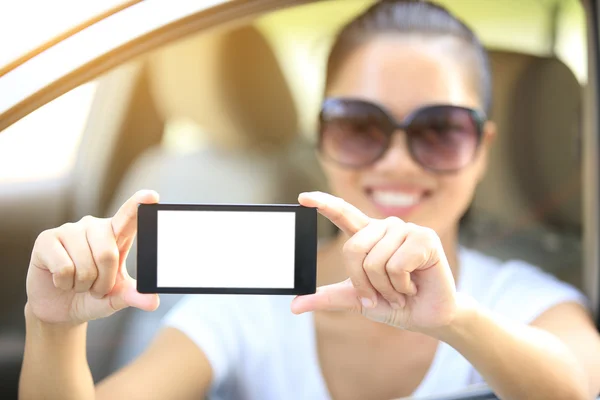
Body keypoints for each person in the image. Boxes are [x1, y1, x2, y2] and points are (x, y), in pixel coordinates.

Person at [19, 1, 600, 399]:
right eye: (359, 127)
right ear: (321, 139)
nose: (396, 160)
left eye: (440, 131)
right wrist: (53, 328)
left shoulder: (521, 301)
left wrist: (456, 321)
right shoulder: (250, 308)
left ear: (481, 149)